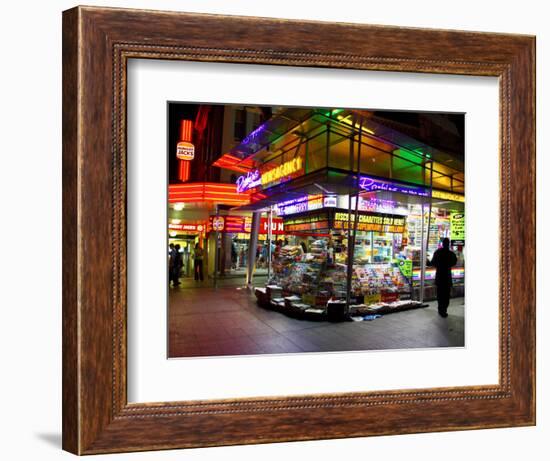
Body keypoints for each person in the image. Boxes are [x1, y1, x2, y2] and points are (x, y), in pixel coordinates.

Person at [427, 237, 457, 318]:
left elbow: (433, 263)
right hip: (447, 276)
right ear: (449, 244)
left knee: (440, 294)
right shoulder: (451, 254)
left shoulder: (438, 252)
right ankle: (444, 310)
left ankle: (441, 310)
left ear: (442, 244)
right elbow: (454, 263)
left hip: (440, 276)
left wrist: (428, 262)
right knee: (446, 295)